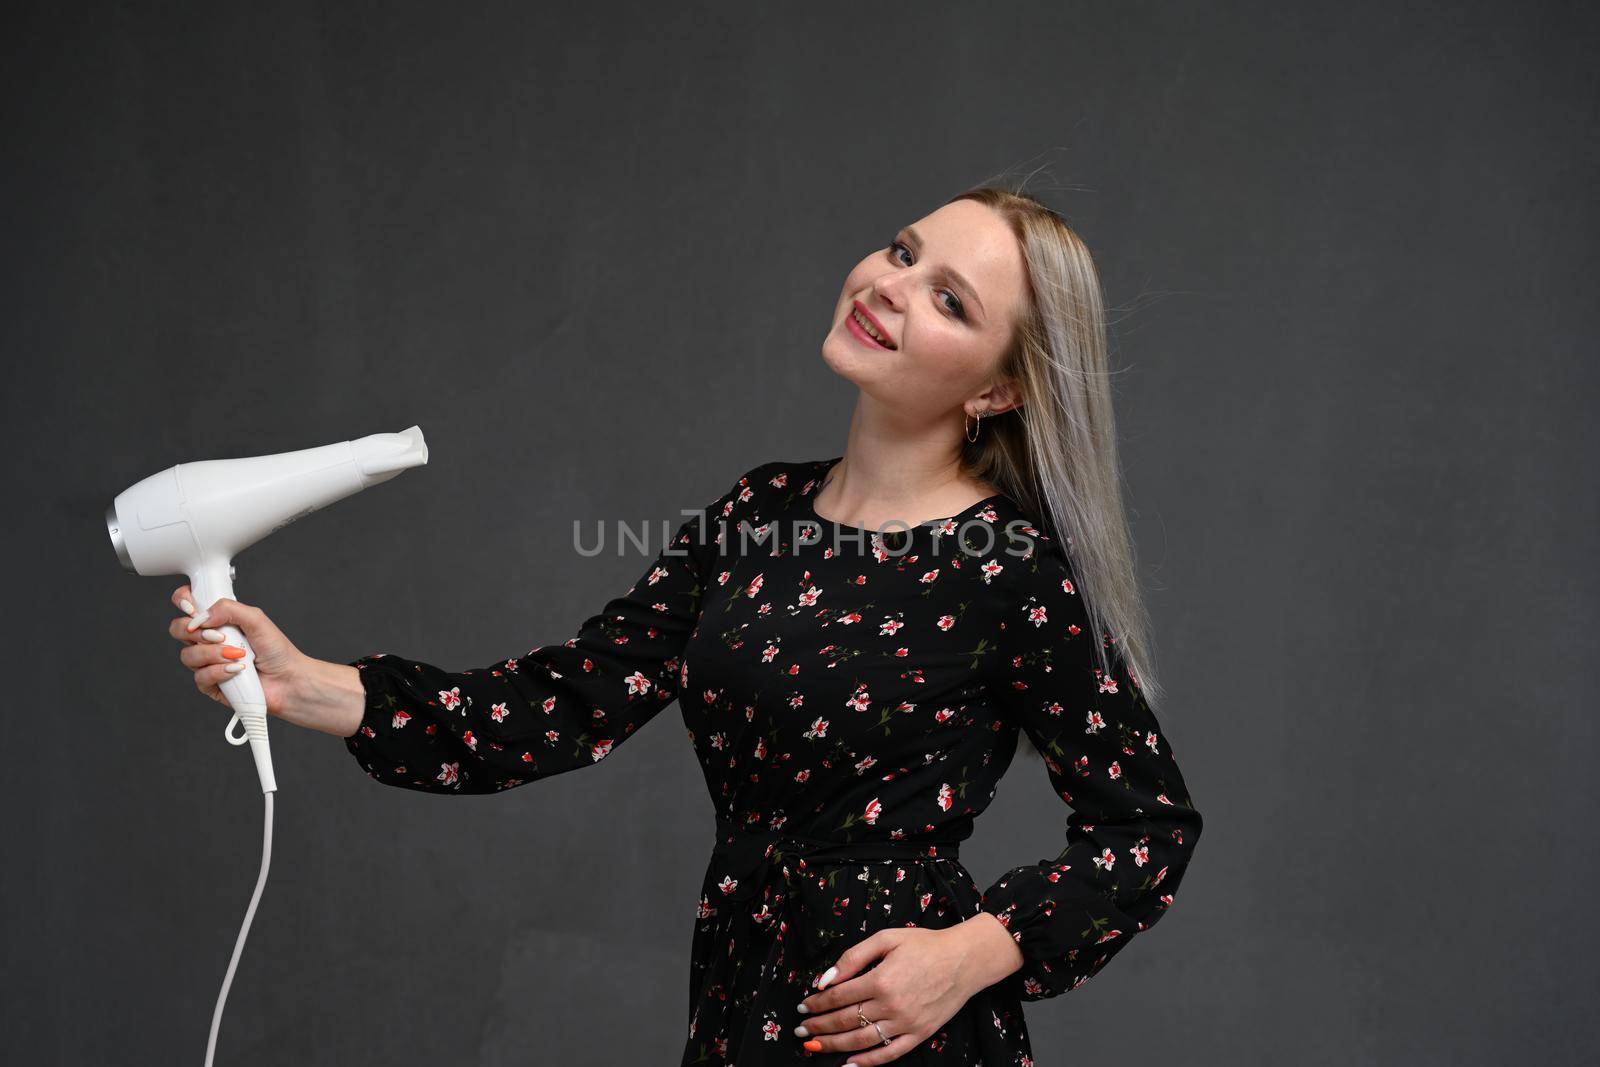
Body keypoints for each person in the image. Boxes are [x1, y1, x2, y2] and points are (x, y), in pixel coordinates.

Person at [168, 185, 1204, 1066]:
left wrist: (970, 952)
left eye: (946, 298)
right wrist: (310, 684)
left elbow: (1146, 825)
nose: (888, 284)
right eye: (901, 250)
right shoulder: (755, 512)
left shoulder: (1006, 566)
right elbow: (568, 700)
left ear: (996, 387)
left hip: (896, 1023)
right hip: (736, 990)